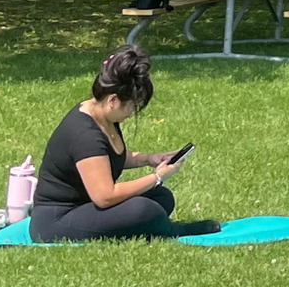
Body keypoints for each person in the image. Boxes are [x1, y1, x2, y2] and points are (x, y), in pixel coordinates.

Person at [30, 46, 215, 241]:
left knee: (161, 198)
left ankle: (154, 224)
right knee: (144, 209)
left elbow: (104, 157)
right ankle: (173, 231)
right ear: (113, 100)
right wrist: (157, 177)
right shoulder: (85, 135)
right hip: (55, 222)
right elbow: (105, 196)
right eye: (131, 106)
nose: (132, 112)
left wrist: (148, 159)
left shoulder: (103, 116)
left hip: (84, 206)